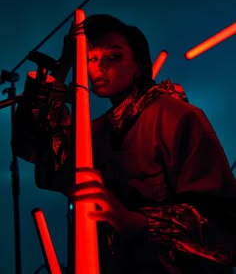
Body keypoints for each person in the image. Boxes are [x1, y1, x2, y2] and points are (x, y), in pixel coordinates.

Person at [12, 14, 236, 274]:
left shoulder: (179, 118)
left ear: (138, 66)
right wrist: (62, 68)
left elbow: (225, 230)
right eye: (90, 59)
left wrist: (134, 222)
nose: (99, 67)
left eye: (113, 56)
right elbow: (45, 161)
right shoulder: (96, 131)